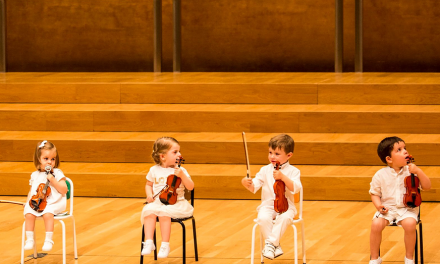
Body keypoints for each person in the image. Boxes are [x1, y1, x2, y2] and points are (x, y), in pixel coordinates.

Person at [369, 136, 431, 264]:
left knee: (409, 224)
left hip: (407, 209)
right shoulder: (380, 175)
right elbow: (374, 193)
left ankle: (409, 258)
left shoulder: (411, 172)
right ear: (389, 159)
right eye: (399, 150)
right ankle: (375, 258)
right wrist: (379, 206)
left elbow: (427, 186)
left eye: (405, 148)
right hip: (388, 209)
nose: (405, 152)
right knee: (376, 224)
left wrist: (418, 171)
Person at [241, 134, 302, 260]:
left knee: (284, 218)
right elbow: (254, 187)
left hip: (287, 206)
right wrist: (246, 183)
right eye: (270, 152)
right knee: (262, 218)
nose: (272, 156)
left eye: (277, 154)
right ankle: (275, 245)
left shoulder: (293, 171)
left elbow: (296, 188)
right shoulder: (264, 170)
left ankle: (270, 244)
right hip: (268, 205)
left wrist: (283, 177)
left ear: (289, 155)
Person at [140, 137, 194, 258]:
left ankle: (165, 244)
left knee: (164, 213)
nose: (179, 154)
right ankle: (149, 242)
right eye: (175, 152)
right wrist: (149, 195)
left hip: (177, 204)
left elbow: (190, 187)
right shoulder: (154, 170)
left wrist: (183, 176)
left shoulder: (180, 170)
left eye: (179, 151)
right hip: (158, 202)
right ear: (163, 156)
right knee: (148, 211)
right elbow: (149, 185)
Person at [23, 140, 68, 252]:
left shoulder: (57, 173)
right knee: (29, 213)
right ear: (39, 159)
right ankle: (29, 239)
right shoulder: (35, 175)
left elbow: (64, 190)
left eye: (52, 159)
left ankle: (48, 240)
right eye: (46, 159)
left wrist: (53, 180)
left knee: (48, 213)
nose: (50, 162)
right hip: (39, 202)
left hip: (54, 203)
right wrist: (27, 201)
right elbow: (31, 191)